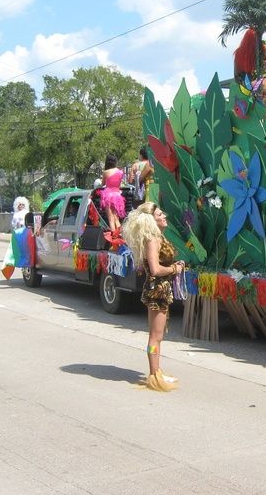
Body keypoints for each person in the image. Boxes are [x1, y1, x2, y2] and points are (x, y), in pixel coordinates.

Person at [121, 202, 185, 392]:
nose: (164, 215)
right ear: (151, 220)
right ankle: (153, 374)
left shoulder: (156, 237)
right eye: (159, 214)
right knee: (155, 337)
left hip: (160, 290)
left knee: (158, 336)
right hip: (156, 291)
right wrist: (175, 268)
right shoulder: (152, 240)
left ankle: (156, 370)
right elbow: (156, 270)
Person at [233, 27, 266, 114]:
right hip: (264, 84)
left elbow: (236, 77)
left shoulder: (239, 53)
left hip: (247, 89)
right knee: (265, 116)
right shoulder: (263, 48)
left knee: (252, 118)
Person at [100, 154, 126, 233]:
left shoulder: (106, 172)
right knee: (116, 217)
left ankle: (114, 238)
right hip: (117, 195)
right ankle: (120, 235)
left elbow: (103, 184)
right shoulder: (120, 172)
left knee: (110, 218)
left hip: (108, 195)